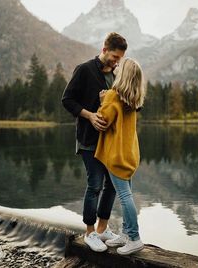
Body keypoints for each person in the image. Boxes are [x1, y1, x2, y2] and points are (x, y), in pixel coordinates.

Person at [62, 32, 128, 252]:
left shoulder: (117, 75)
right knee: (95, 185)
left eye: (120, 58)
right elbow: (67, 99)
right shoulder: (84, 70)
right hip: (89, 140)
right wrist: (89, 115)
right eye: (114, 56)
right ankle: (89, 233)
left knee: (112, 186)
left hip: (111, 141)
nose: (116, 61)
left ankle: (102, 228)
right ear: (105, 49)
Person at [94, 57, 147, 255]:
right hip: (130, 154)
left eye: (120, 66)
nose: (116, 66)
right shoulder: (132, 99)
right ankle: (125, 233)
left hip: (116, 156)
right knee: (128, 194)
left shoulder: (113, 96)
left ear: (123, 74)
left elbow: (103, 121)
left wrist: (102, 102)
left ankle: (134, 237)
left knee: (125, 196)